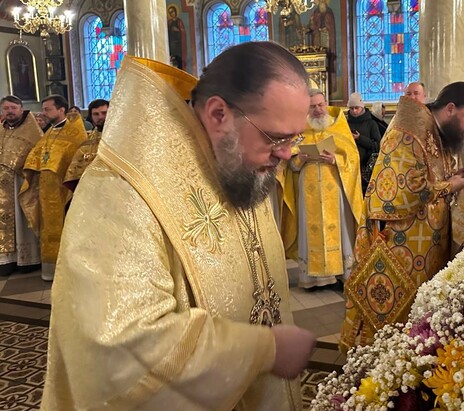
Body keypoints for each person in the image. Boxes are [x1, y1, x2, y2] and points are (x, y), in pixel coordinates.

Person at [41, 42, 316, 410]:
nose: (287, 153)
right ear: (218, 114)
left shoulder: (237, 165)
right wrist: (265, 349)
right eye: (276, 138)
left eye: (294, 138)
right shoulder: (121, 191)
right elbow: (117, 344)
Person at [340, 82, 464, 350]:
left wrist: (455, 177)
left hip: (426, 243)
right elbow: (401, 194)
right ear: (451, 109)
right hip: (401, 244)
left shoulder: (435, 131)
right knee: (399, 323)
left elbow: (431, 176)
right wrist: (452, 185)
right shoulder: (407, 132)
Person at [284, 89, 363, 289]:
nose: (318, 110)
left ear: (326, 103)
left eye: (321, 104)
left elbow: (353, 157)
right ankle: (314, 278)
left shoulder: (339, 125)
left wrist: (335, 159)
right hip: (308, 188)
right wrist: (300, 159)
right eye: (313, 106)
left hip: (333, 187)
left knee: (339, 228)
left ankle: (341, 272)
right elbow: (290, 165)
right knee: (310, 228)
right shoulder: (300, 130)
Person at [19, 95, 86, 281]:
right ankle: (50, 269)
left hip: (64, 191)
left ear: (61, 110)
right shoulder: (48, 133)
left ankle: (68, 269)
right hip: (46, 190)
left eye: (48, 109)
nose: (43, 112)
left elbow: (75, 160)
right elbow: (38, 155)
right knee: (48, 227)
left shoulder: (74, 133)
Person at [0, 95, 42, 276]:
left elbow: (37, 153)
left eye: (13, 108)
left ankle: (27, 259)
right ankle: (7, 260)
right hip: (2, 186)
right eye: (6, 108)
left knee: (21, 220)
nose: (9, 112)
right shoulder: (1, 129)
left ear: (20, 108)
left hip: (21, 182)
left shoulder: (32, 130)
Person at [64, 99, 109, 191]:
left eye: (104, 113)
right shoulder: (88, 140)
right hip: (90, 189)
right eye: (96, 114)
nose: (100, 117)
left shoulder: (121, 137)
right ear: (91, 116)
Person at [346, 92, 381, 193]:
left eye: (357, 108)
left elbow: (377, 145)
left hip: (365, 168)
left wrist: (360, 138)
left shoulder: (371, 123)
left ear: (362, 107)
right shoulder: (345, 123)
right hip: (349, 167)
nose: (354, 111)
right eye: (352, 108)